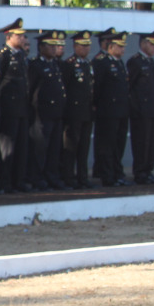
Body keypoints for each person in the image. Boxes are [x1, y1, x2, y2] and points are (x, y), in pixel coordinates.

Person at [27, 30, 68, 190]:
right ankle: (37, 178)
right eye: (50, 46)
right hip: (41, 114)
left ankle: (52, 176)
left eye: (55, 46)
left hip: (56, 113)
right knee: (40, 149)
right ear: (42, 47)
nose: (54, 49)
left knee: (54, 148)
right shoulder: (36, 65)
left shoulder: (55, 65)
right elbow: (30, 90)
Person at [0, 19, 30, 193]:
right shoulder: (4, 56)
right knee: (7, 148)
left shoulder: (21, 55)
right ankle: (4, 181)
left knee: (21, 148)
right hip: (9, 108)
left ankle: (19, 180)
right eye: (20, 36)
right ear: (9, 36)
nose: (24, 39)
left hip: (22, 108)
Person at [92, 29, 130, 187]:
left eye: (123, 46)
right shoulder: (102, 62)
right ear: (111, 46)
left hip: (121, 111)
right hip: (107, 112)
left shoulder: (119, 63)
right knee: (107, 146)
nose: (123, 49)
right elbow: (97, 88)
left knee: (118, 145)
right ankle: (108, 176)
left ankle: (117, 172)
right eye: (120, 46)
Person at [60, 30, 95, 189]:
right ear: (74, 46)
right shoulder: (69, 64)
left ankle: (82, 177)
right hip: (73, 113)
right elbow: (65, 89)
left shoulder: (88, 64)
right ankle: (69, 176)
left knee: (84, 147)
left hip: (87, 112)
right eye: (82, 45)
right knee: (71, 147)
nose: (85, 49)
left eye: (88, 46)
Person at [128, 30, 154, 185]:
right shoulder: (135, 62)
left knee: (150, 144)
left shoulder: (150, 62)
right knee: (141, 143)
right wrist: (136, 108)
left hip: (152, 110)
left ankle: (148, 171)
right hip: (140, 112)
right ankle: (140, 172)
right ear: (143, 44)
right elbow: (130, 87)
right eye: (151, 44)